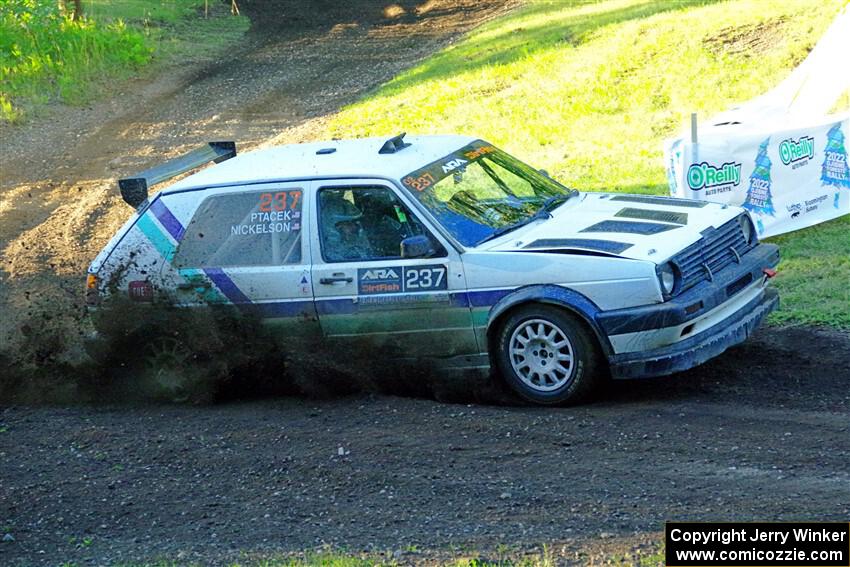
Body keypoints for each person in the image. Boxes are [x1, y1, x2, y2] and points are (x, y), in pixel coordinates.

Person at [321, 191, 373, 261]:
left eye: (355, 223)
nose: (355, 227)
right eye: (348, 223)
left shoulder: (357, 240)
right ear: (335, 227)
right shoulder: (330, 253)